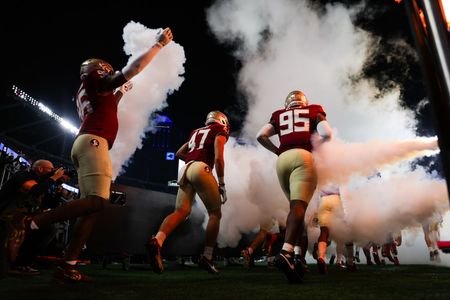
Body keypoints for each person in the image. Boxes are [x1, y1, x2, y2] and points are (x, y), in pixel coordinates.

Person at [3, 27, 173, 283]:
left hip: (86, 141)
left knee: (91, 209)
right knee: (97, 202)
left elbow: (109, 101)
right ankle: (31, 223)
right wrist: (158, 45)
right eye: (106, 69)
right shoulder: (94, 81)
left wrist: (121, 92)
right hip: (94, 141)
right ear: (99, 70)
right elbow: (133, 69)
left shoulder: (88, 91)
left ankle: (68, 265)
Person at [256, 90, 332, 283]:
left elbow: (260, 135)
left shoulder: (278, 115)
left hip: (282, 160)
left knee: (294, 211)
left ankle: (297, 257)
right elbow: (327, 133)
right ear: (304, 102)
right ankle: (287, 252)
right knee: (299, 208)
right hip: (303, 157)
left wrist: (277, 151)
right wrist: (316, 148)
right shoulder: (314, 110)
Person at [146, 110, 230, 274]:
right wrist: (221, 182)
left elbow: (179, 153)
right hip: (201, 168)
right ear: (222, 121)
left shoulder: (195, 132)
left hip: (186, 168)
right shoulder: (219, 130)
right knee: (215, 213)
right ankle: (207, 256)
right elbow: (219, 158)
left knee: (181, 211)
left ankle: (157, 240)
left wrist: (194, 159)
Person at [0, 159, 68, 277]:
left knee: (49, 227)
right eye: (51, 169)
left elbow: (51, 204)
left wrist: (57, 192)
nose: (53, 172)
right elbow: (35, 190)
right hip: (6, 213)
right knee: (33, 227)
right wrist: (54, 178)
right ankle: (14, 264)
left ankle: (23, 263)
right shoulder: (23, 175)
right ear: (40, 169)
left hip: (23, 215)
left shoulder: (44, 183)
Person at [316, 184, 356, 274]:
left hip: (323, 200)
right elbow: (344, 190)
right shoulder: (337, 172)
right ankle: (350, 262)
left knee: (324, 231)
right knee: (346, 232)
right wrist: (347, 211)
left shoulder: (321, 172)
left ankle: (321, 258)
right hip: (336, 200)